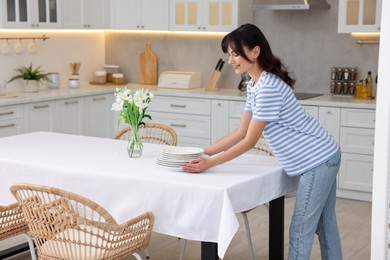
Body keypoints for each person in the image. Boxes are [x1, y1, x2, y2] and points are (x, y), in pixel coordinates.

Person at [181, 23, 342, 260]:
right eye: (229, 54)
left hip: (318, 162)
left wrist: (210, 163)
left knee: (300, 230)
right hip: (325, 156)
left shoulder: (268, 88)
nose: (231, 60)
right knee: (325, 227)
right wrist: (203, 152)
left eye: (236, 53)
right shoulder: (255, 85)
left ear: (255, 52)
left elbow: (248, 142)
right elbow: (240, 131)